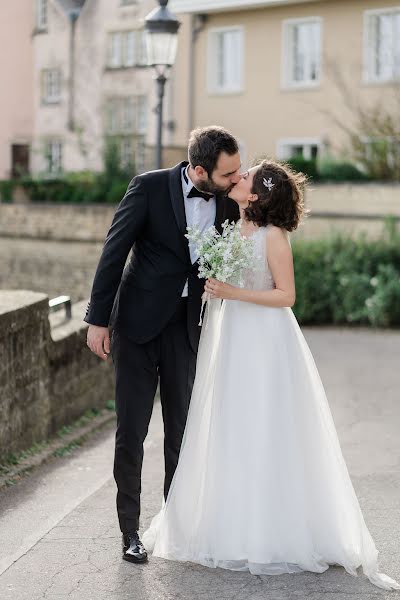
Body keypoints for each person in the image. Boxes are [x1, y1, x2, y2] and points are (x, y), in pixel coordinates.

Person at [143, 159, 399, 591]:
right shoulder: (233, 226)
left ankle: (271, 531)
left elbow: (287, 295)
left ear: (257, 196)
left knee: (266, 427)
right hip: (231, 336)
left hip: (265, 340)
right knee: (229, 426)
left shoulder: (273, 236)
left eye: (245, 177)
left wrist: (231, 291)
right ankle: (231, 525)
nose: (238, 178)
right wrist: (216, 285)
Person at [84, 126, 241, 563]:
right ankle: (130, 531)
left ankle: (174, 527)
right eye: (228, 172)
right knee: (132, 432)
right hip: (135, 327)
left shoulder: (229, 200)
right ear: (198, 169)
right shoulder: (148, 187)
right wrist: (97, 320)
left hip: (187, 327)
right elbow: (113, 253)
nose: (235, 178)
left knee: (181, 434)